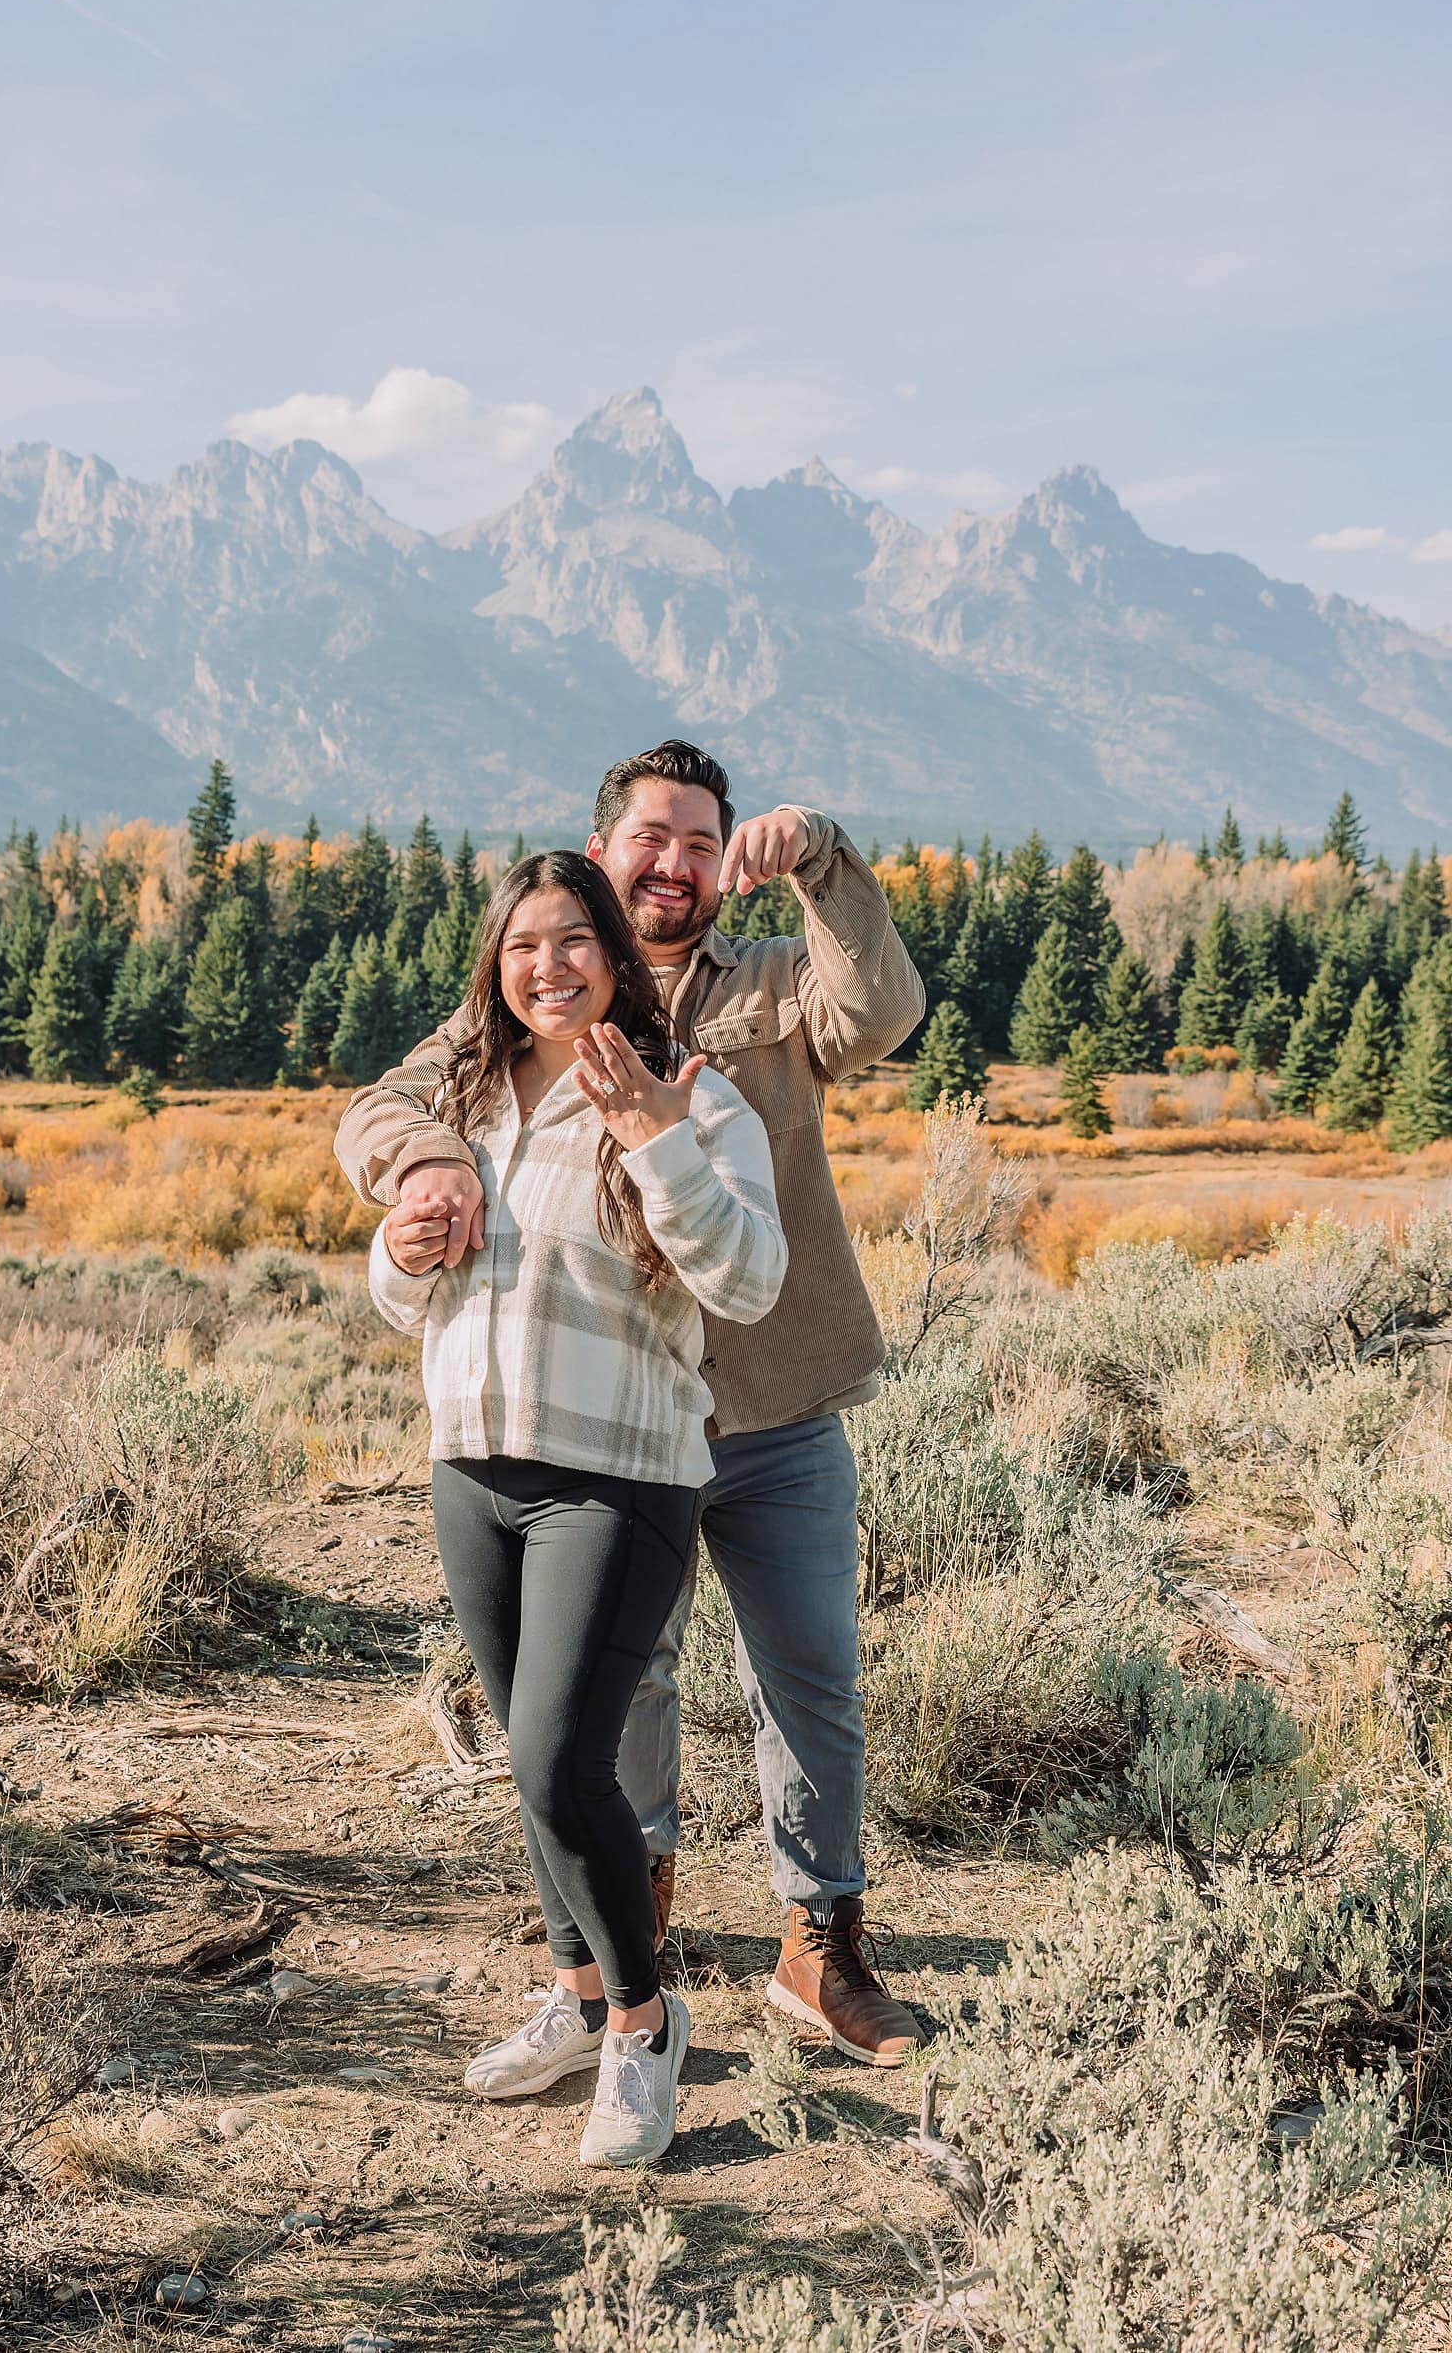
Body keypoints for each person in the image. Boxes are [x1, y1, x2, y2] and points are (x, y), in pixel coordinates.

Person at [337, 741, 928, 2066]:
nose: (674, 863)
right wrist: (431, 1164)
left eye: (701, 843)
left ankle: (820, 1944)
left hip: (774, 1402)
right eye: (650, 838)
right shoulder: (542, 997)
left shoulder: (775, 982)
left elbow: (881, 1014)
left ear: (728, 862)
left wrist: (825, 862)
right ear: (602, 853)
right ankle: (632, 1925)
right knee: (624, 1691)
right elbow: (382, 1105)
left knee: (813, 1676)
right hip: (601, 1425)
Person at [366, 848, 784, 2166]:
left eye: (573, 941)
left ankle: (644, 2027)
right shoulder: (470, 1101)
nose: (547, 964)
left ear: (616, 956)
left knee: (560, 1758)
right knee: (534, 1771)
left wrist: (655, 1137)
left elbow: (750, 1279)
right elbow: (405, 1301)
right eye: (522, 945)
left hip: (623, 1471)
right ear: (495, 966)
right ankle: (575, 1989)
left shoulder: (698, 1098)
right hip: (473, 1468)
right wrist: (400, 1244)